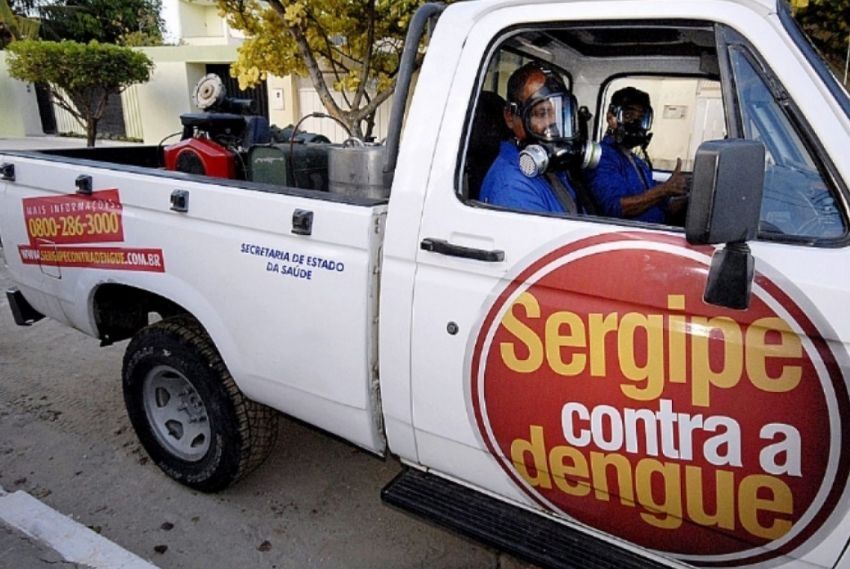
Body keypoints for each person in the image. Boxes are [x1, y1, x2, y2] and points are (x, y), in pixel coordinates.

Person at [480, 63, 584, 215]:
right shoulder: (513, 187)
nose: (553, 124)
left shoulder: (552, 169)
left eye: (560, 113)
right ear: (510, 116)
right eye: (541, 114)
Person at [586, 87, 687, 224]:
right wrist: (664, 190)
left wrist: (691, 200)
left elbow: (659, 203)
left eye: (640, 118)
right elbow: (617, 208)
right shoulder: (602, 157)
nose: (635, 123)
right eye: (628, 115)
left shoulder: (637, 161)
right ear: (611, 117)